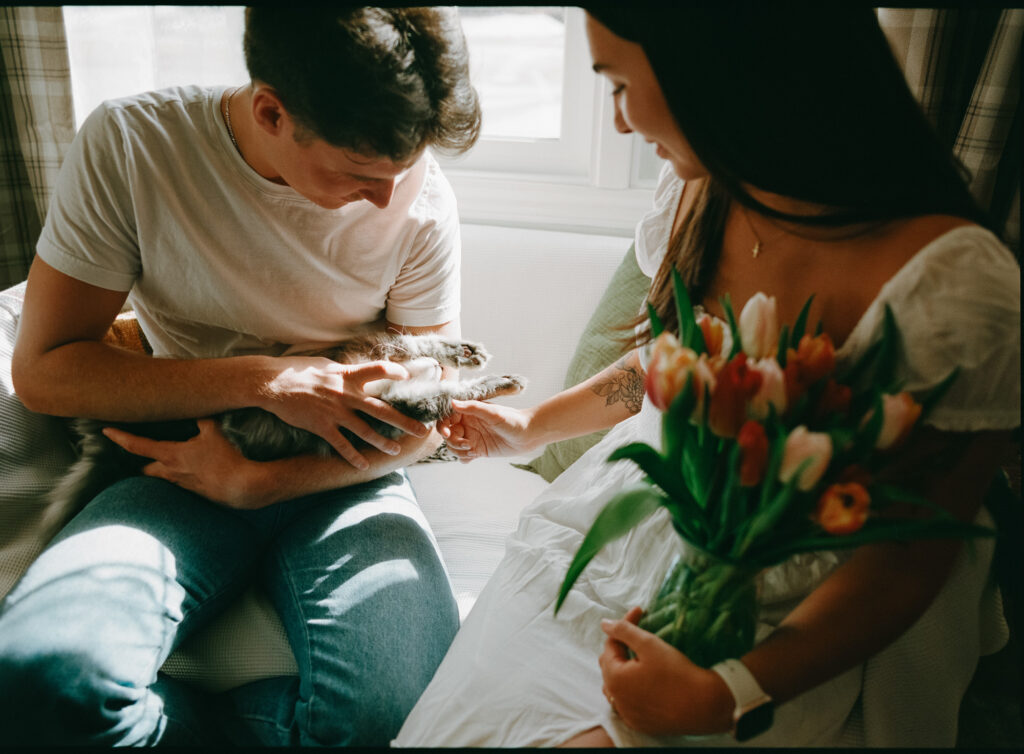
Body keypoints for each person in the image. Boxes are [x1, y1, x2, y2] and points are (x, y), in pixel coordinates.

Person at [393, 5, 1020, 748]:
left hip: (798, 594)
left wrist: (731, 692)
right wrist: (531, 428)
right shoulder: (704, 187)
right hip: (629, 525)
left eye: (620, 84)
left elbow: (912, 551)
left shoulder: (957, 284)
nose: (620, 123)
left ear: (719, 75)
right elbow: (673, 365)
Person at [0, 6, 480, 747]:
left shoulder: (423, 202)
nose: (391, 199)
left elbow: (432, 422)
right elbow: (44, 371)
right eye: (359, 175)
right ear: (271, 111)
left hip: (346, 471)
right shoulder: (135, 146)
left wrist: (268, 484)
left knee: (397, 714)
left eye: (403, 169)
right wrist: (262, 380)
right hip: (178, 458)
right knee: (41, 681)